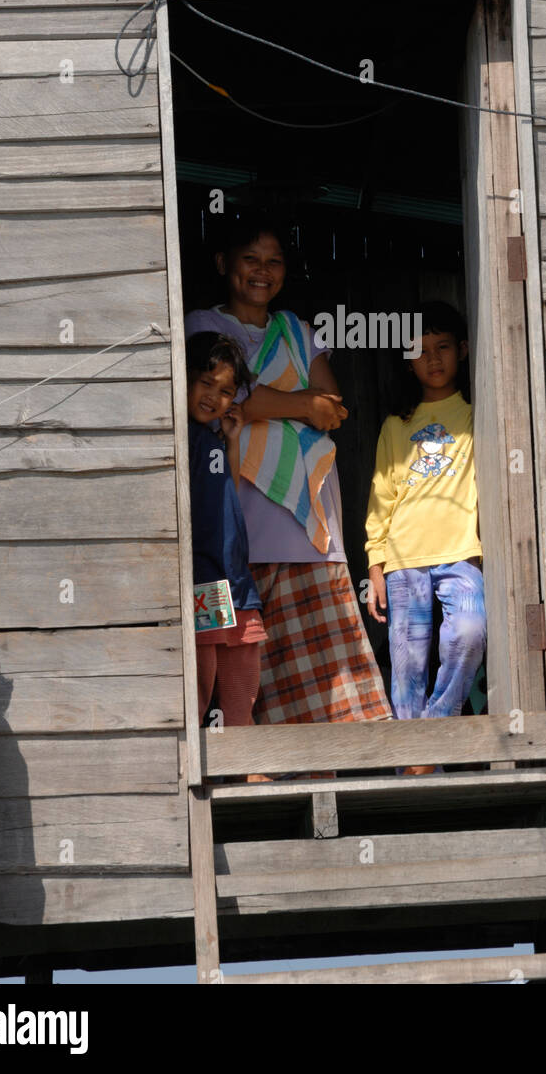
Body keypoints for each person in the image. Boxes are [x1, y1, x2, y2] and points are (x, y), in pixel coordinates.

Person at [185, 214, 390, 729]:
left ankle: (333, 763)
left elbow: (333, 408)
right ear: (222, 264)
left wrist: (281, 404)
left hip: (307, 523)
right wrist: (299, 403)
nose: (262, 271)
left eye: (274, 261)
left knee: (325, 669)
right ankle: (254, 765)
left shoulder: (297, 330)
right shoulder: (203, 327)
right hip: (238, 523)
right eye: (250, 259)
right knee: (243, 661)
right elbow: (239, 401)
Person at [365, 301, 486, 775]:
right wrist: (375, 562)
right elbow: (381, 494)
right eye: (420, 350)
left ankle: (435, 729)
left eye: (442, 348)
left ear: (463, 350)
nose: (432, 359)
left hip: (462, 553)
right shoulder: (397, 423)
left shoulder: (478, 416)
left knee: (470, 632)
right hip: (403, 556)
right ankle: (411, 767)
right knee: (408, 663)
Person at [186, 331, 267, 749]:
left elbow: (228, 489)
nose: (213, 397)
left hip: (235, 579)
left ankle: (245, 763)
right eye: (205, 383)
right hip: (205, 578)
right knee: (201, 679)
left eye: (225, 391)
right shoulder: (180, 438)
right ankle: (201, 767)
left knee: (242, 676)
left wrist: (232, 441)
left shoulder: (214, 439)